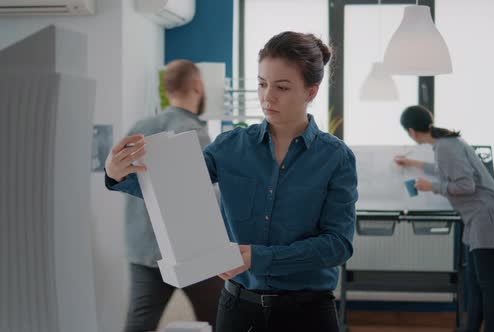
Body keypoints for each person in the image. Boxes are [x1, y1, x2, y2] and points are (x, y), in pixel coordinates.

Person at [104, 32, 358, 332]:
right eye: (262, 84)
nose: (268, 97)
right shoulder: (230, 146)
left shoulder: (336, 157)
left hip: (309, 314)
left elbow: (338, 245)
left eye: (282, 87)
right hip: (238, 311)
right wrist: (116, 174)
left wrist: (258, 258)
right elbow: (174, 189)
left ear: (311, 91)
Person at [112, 59, 223, 332]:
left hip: (143, 248)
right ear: (197, 85)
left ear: (167, 88)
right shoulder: (194, 133)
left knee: (140, 323)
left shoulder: (140, 126)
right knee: (220, 318)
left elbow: (122, 177)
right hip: (190, 251)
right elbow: (206, 198)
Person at [394, 105, 494, 332]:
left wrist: (431, 187)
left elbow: (466, 185)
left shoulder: (446, 147)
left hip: (486, 216)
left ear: (411, 131)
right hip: (479, 217)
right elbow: (444, 170)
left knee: (487, 284)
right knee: (474, 283)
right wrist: (413, 163)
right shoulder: (446, 144)